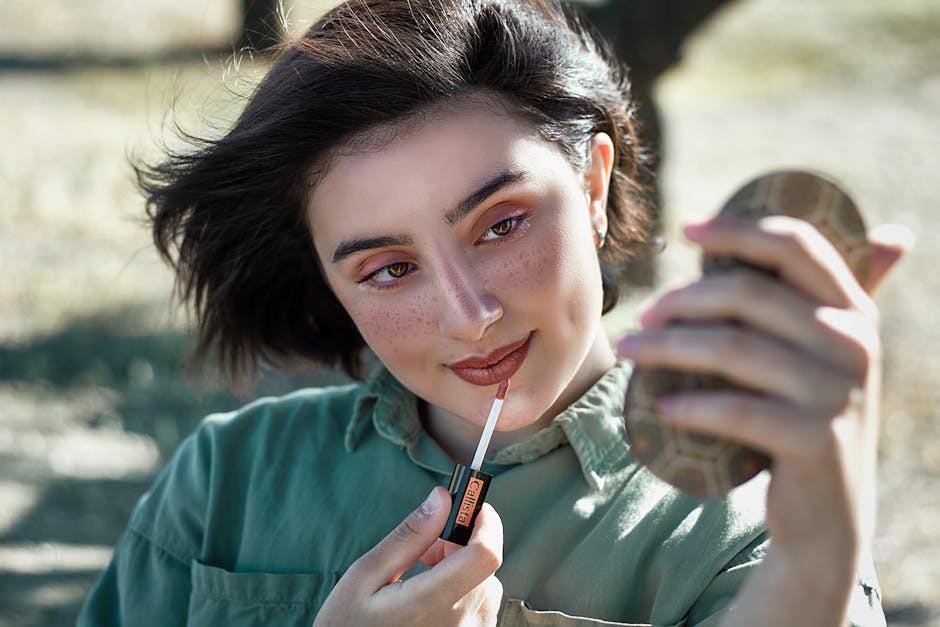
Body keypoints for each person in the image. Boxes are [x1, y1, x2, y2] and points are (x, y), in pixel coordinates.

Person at [79, 0, 906, 624]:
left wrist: (815, 567)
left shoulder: (745, 536)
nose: (469, 314)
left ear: (592, 185)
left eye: (501, 224)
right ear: (329, 283)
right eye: (389, 268)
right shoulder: (225, 481)